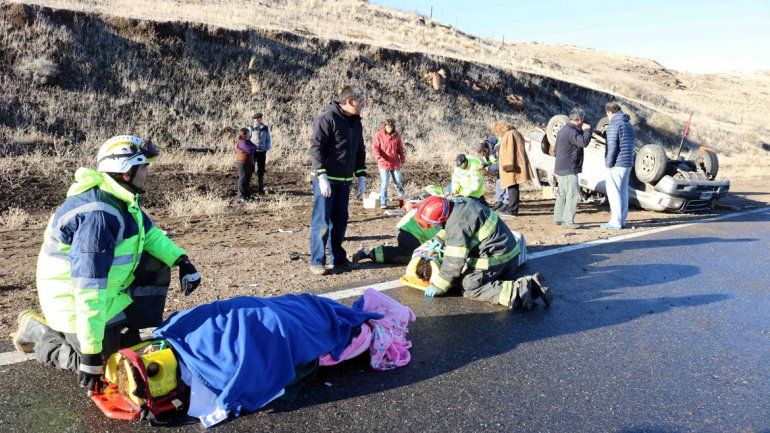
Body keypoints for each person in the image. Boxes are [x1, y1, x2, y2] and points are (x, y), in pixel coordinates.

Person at [11, 135, 201, 395]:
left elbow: (150, 234)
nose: (147, 172)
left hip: (108, 293)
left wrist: (182, 260)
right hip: (72, 300)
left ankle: (120, 325)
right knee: (101, 366)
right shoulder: (98, 217)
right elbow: (88, 291)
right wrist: (90, 354)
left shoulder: (121, 198)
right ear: (126, 172)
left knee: (130, 354)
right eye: (143, 166)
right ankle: (38, 332)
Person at [415, 196, 552, 310]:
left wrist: (438, 285)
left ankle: (526, 289)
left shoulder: (457, 224)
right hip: (510, 254)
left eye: (430, 224)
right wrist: (440, 238)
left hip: (498, 260)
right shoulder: (461, 203)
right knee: (467, 277)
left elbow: (453, 263)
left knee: (469, 286)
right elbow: (463, 227)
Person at [308, 85, 368, 275]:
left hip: (344, 181)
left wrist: (361, 176)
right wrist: (321, 175)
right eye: (361, 101)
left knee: (340, 221)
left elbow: (359, 150)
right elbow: (316, 148)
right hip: (326, 180)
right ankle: (317, 261)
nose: (363, 105)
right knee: (322, 222)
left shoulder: (356, 123)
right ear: (350, 101)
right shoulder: (327, 118)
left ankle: (339, 260)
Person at [351, 209, 439, 265]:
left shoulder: (435, 205)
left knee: (407, 255)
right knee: (410, 257)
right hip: (414, 236)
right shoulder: (446, 214)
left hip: (406, 229)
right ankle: (367, 254)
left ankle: (367, 253)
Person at [553, 107, 592, 229]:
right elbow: (583, 143)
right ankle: (568, 221)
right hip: (570, 167)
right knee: (573, 194)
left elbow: (555, 149)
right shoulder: (571, 131)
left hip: (560, 167)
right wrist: (587, 131)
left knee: (562, 194)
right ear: (580, 119)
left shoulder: (563, 130)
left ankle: (558, 218)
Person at [602, 102, 636, 230]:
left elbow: (612, 147)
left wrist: (608, 164)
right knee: (623, 193)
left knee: (613, 193)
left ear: (609, 112)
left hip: (617, 164)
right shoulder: (628, 124)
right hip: (627, 163)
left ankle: (615, 222)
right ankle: (622, 221)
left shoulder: (613, 125)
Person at [493, 122, 533, 217]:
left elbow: (509, 152)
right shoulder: (515, 132)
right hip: (517, 165)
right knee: (513, 188)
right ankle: (511, 209)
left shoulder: (509, 135)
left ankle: (512, 211)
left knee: (512, 187)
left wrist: (508, 167)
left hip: (512, 166)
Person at [372, 118, 406, 209]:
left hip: (395, 163)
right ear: (385, 126)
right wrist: (377, 156)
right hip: (383, 162)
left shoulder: (397, 135)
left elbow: (400, 148)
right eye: (388, 127)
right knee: (385, 183)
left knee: (398, 182)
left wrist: (402, 157)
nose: (389, 129)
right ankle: (383, 202)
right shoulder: (379, 135)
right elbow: (375, 147)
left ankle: (402, 200)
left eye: (391, 127)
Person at [475, 137, 507, 210]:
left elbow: (501, 164)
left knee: (504, 183)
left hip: (506, 167)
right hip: (500, 168)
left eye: (483, 154)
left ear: (486, 150)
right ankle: (499, 202)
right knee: (499, 182)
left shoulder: (498, 148)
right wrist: (483, 165)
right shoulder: (485, 149)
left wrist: (488, 168)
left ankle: (506, 203)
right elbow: (486, 160)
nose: (482, 156)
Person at [248, 113, 272, 194]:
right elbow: (248, 139)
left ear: (261, 119)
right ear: (254, 120)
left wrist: (267, 148)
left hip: (262, 152)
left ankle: (260, 187)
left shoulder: (265, 128)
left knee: (261, 169)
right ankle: (249, 186)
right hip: (253, 152)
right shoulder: (250, 128)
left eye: (259, 118)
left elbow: (268, 139)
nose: (257, 120)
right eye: (256, 119)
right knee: (251, 168)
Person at [235, 127, 257, 201]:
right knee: (243, 178)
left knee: (248, 179)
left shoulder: (247, 141)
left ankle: (247, 195)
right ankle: (240, 196)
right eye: (248, 132)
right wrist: (252, 147)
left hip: (249, 162)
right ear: (244, 134)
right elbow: (249, 150)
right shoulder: (241, 142)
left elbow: (255, 147)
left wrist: (251, 147)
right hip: (243, 163)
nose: (249, 134)